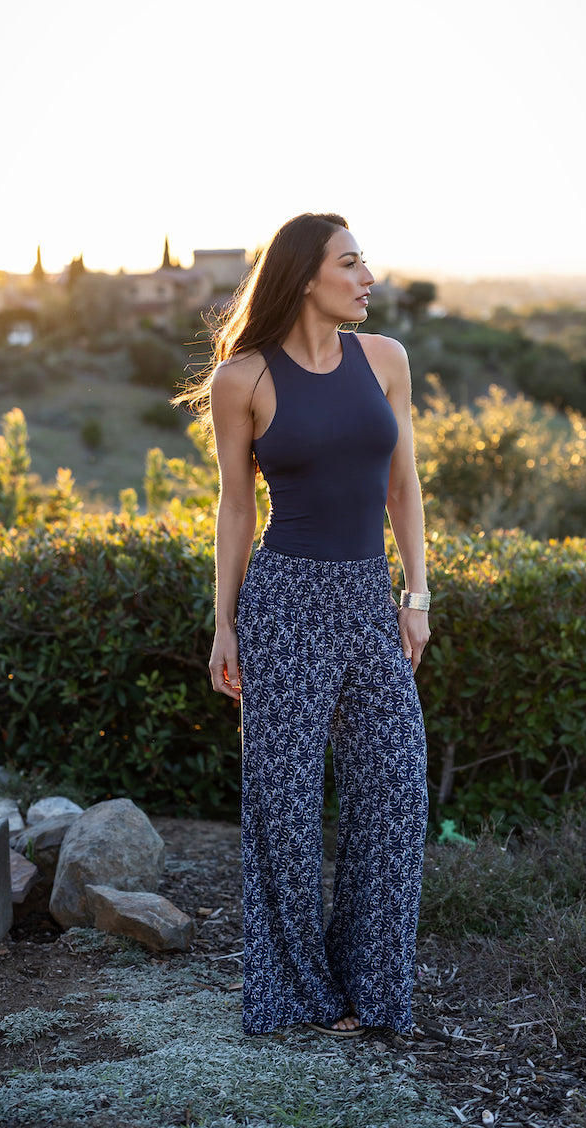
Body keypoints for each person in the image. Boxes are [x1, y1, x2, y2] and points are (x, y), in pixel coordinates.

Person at [182, 212, 430, 1038]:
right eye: (351, 264)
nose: (367, 279)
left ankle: (373, 988)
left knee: (394, 794)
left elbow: (404, 489)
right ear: (304, 277)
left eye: (364, 264)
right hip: (282, 604)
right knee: (282, 808)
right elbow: (234, 506)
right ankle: (299, 994)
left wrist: (416, 595)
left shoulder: (385, 360)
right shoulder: (242, 380)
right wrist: (223, 624)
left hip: (367, 599)